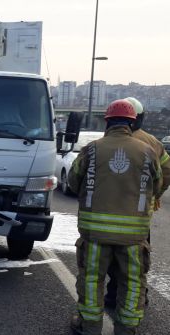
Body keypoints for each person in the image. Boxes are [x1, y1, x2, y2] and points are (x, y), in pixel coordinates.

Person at [68, 99, 162, 335]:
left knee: (91, 280)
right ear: (132, 123)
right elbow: (158, 184)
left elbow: (72, 181)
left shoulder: (92, 149)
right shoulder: (148, 151)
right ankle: (126, 329)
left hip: (95, 233)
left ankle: (89, 326)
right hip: (132, 238)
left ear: (107, 121)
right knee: (132, 283)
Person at [103, 97, 170, 307]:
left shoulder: (105, 141)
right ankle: (137, 300)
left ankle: (113, 295)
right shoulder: (152, 143)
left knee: (108, 260)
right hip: (139, 217)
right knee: (136, 263)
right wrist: (154, 195)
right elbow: (165, 172)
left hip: (106, 213)